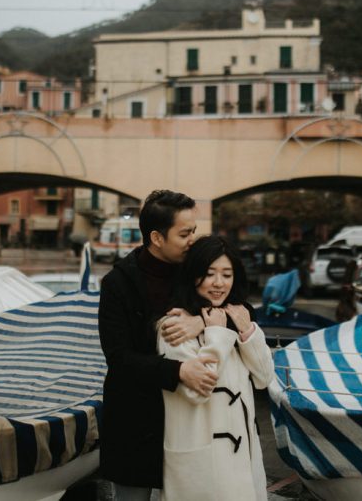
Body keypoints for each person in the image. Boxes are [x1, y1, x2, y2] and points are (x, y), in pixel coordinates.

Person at [98, 190, 217, 500]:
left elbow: (244, 311)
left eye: (194, 230)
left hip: (189, 420)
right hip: (133, 420)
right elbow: (119, 358)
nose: (194, 239)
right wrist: (178, 371)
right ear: (157, 237)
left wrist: (201, 320)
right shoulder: (116, 284)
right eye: (185, 233)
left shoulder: (199, 272)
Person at [156, 235, 274, 500]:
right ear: (192, 276)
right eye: (209, 274)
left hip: (243, 460)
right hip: (202, 467)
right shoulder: (175, 326)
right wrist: (217, 336)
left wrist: (247, 332)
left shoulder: (238, 317)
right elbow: (197, 391)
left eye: (226, 274)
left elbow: (265, 377)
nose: (219, 283)